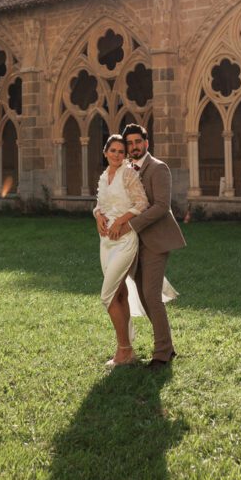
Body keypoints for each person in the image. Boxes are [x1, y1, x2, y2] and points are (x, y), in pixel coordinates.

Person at [107, 124, 185, 369]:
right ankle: (167, 346)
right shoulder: (125, 170)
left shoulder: (158, 168)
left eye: (137, 142)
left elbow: (162, 206)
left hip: (155, 239)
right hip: (133, 244)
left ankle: (162, 354)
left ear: (146, 143)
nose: (134, 147)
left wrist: (131, 225)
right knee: (141, 294)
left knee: (151, 295)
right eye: (129, 143)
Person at [94, 134, 147, 367]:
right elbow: (100, 204)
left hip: (125, 238)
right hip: (106, 242)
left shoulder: (128, 173)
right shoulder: (104, 176)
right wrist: (97, 215)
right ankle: (127, 351)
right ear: (105, 152)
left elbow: (141, 203)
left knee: (107, 295)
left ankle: (123, 350)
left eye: (120, 151)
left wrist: (120, 222)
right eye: (113, 150)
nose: (117, 155)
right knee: (119, 294)